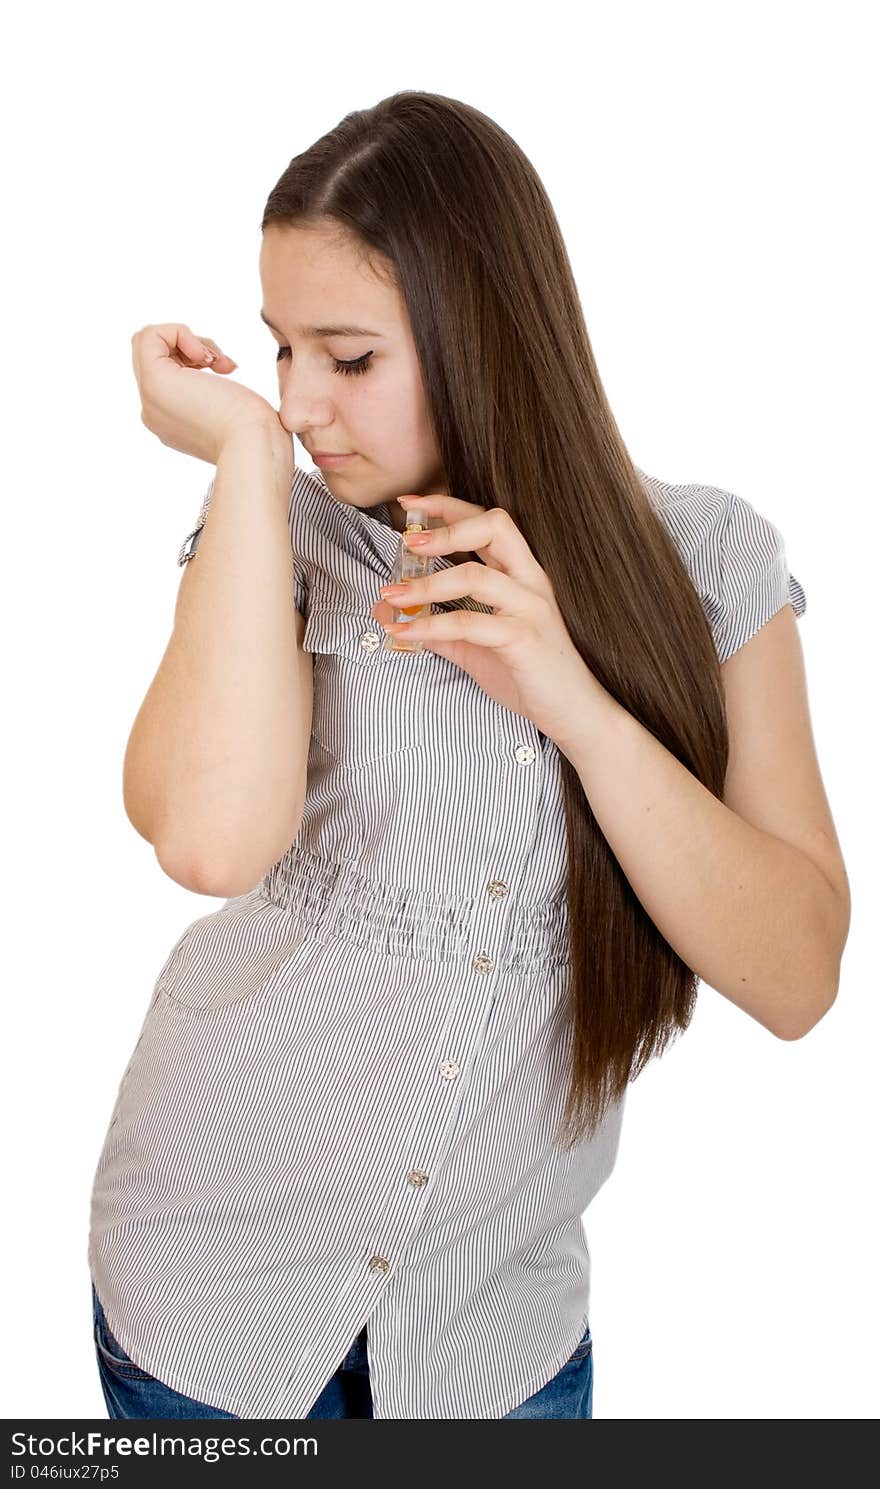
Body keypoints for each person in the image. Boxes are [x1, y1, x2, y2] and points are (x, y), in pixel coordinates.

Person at [87, 90, 850, 1421]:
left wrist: (569, 695)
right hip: (210, 1308)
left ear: (483, 330)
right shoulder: (283, 533)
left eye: (349, 357)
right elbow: (206, 840)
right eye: (279, 354)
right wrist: (248, 464)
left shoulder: (713, 563)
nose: (303, 402)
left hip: (497, 1344)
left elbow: (797, 976)